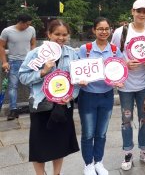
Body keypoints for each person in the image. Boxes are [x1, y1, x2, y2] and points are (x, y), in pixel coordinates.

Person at [18, 19, 79, 175]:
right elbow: (23, 77)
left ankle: (56, 173)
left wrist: (72, 95)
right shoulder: (36, 54)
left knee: (60, 144)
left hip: (63, 105)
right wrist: (42, 71)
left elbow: (77, 80)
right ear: (49, 34)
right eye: (57, 34)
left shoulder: (72, 53)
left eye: (64, 34)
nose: (61, 37)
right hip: (41, 105)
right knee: (39, 146)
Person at [111, 0, 145, 170]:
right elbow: (113, 56)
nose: (141, 14)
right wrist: (125, 64)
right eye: (139, 11)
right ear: (132, 11)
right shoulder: (120, 32)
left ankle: (144, 150)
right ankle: (127, 151)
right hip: (125, 85)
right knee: (126, 120)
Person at [77, 17, 124, 175]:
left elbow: (121, 69)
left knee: (102, 132)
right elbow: (76, 69)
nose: (104, 32)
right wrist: (79, 80)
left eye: (106, 29)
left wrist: (119, 80)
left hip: (107, 94)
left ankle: (99, 161)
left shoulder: (115, 50)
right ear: (94, 30)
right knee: (88, 132)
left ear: (110, 30)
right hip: (88, 95)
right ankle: (88, 163)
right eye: (100, 29)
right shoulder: (86, 49)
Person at [0, 13, 36, 120]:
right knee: (13, 87)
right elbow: (1, 46)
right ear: (21, 22)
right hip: (14, 62)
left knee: (32, 85)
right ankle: (13, 109)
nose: (28, 26)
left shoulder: (31, 29)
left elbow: (33, 43)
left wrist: (33, 55)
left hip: (28, 62)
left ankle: (34, 106)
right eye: (27, 24)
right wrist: (4, 62)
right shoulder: (7, 31)